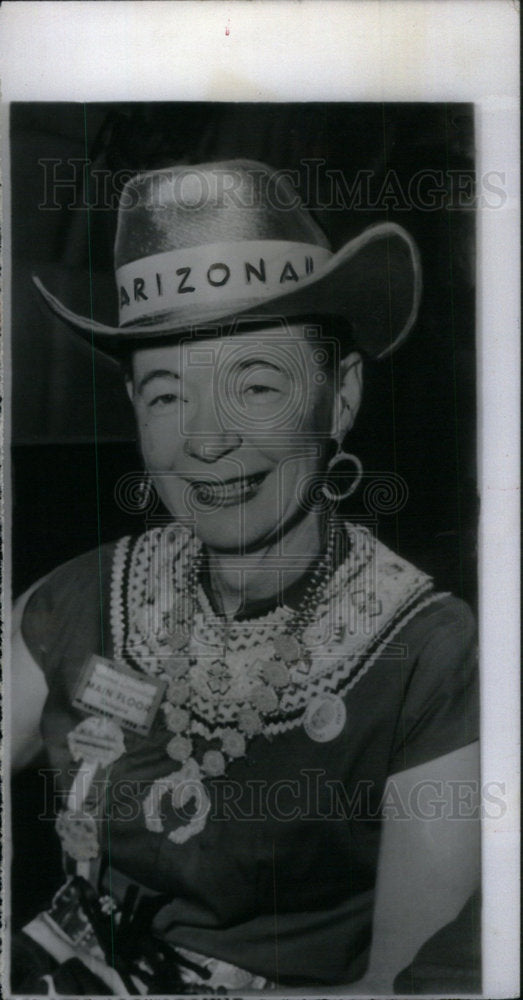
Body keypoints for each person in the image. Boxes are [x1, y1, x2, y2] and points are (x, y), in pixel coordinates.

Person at [11, 160, 480, 994]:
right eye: (166, 395)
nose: (209, 439)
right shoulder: (78, 598)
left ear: (338, 399)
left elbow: (408, 987)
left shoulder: (434, 661)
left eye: (257, 383)